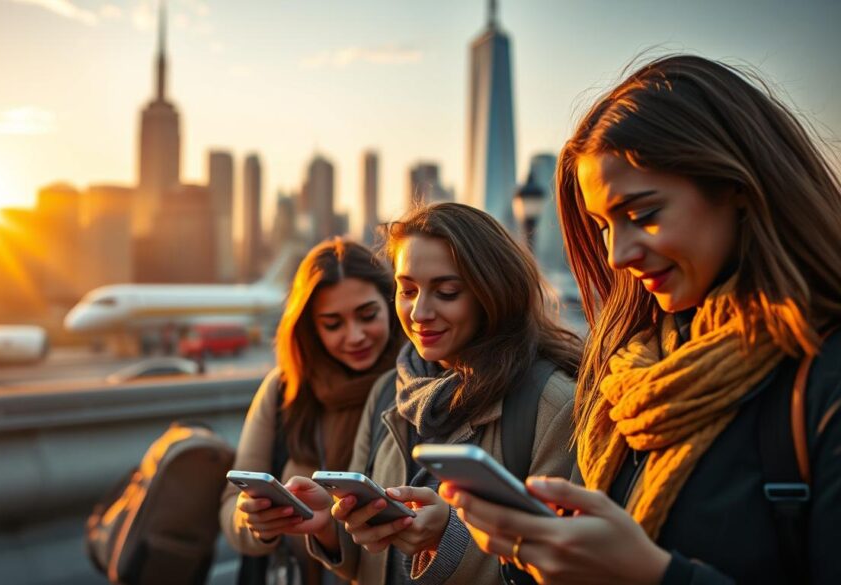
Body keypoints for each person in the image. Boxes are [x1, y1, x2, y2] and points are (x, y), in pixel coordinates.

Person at [442, 54, 841, 584]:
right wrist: (514, 547)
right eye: (603, 226)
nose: (616, 255)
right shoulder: (628, 374)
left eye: (644, 215)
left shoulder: (822, 379)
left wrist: (654, 577)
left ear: (740, 191)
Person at [286, 202, 583, 584]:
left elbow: (569, 563)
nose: (419, 312)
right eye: (407, 290)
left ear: (492, 292)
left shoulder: (553, 405)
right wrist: (327, 524)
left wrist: (452, 536)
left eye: (446, 292)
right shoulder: (387, 393)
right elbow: (366, 565)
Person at [220, 238, 403, 585]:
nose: (355, 336)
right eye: (332, 324)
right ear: (310, 328)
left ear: (392, 306)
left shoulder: (415, 388)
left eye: (368, 316)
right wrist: (256, 522)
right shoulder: (284, 391)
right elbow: (232, 505)